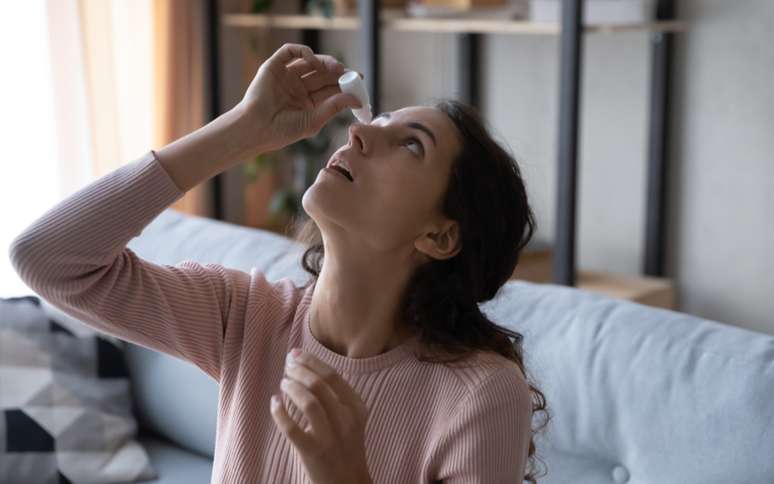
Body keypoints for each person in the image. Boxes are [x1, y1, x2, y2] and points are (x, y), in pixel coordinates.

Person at [10, 43, 548, 483]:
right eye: (376, 120)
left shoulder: (480, 396)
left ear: (440, 234)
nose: (358, 132)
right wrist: (244, 129)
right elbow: (47, 259)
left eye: (410, 146)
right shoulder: (248, 317)